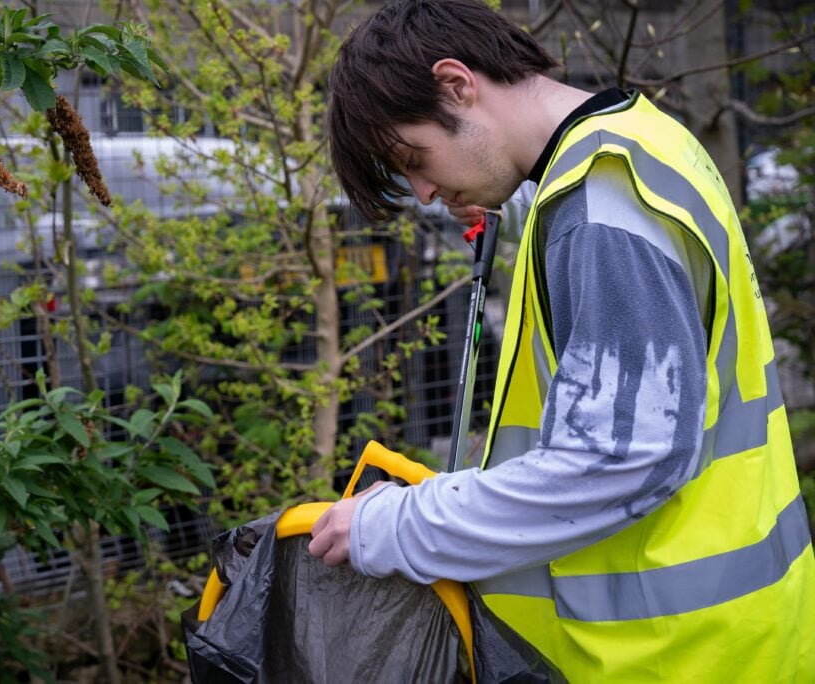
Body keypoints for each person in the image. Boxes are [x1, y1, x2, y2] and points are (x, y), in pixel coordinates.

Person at [307, 1, 815, 681]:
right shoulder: (642, 139)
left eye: (415, 158)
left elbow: (615, 458)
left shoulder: (599, 210)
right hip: (728, 629)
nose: (425, 192)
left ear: (457, 83)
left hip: (668, 655)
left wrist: (396, 525)